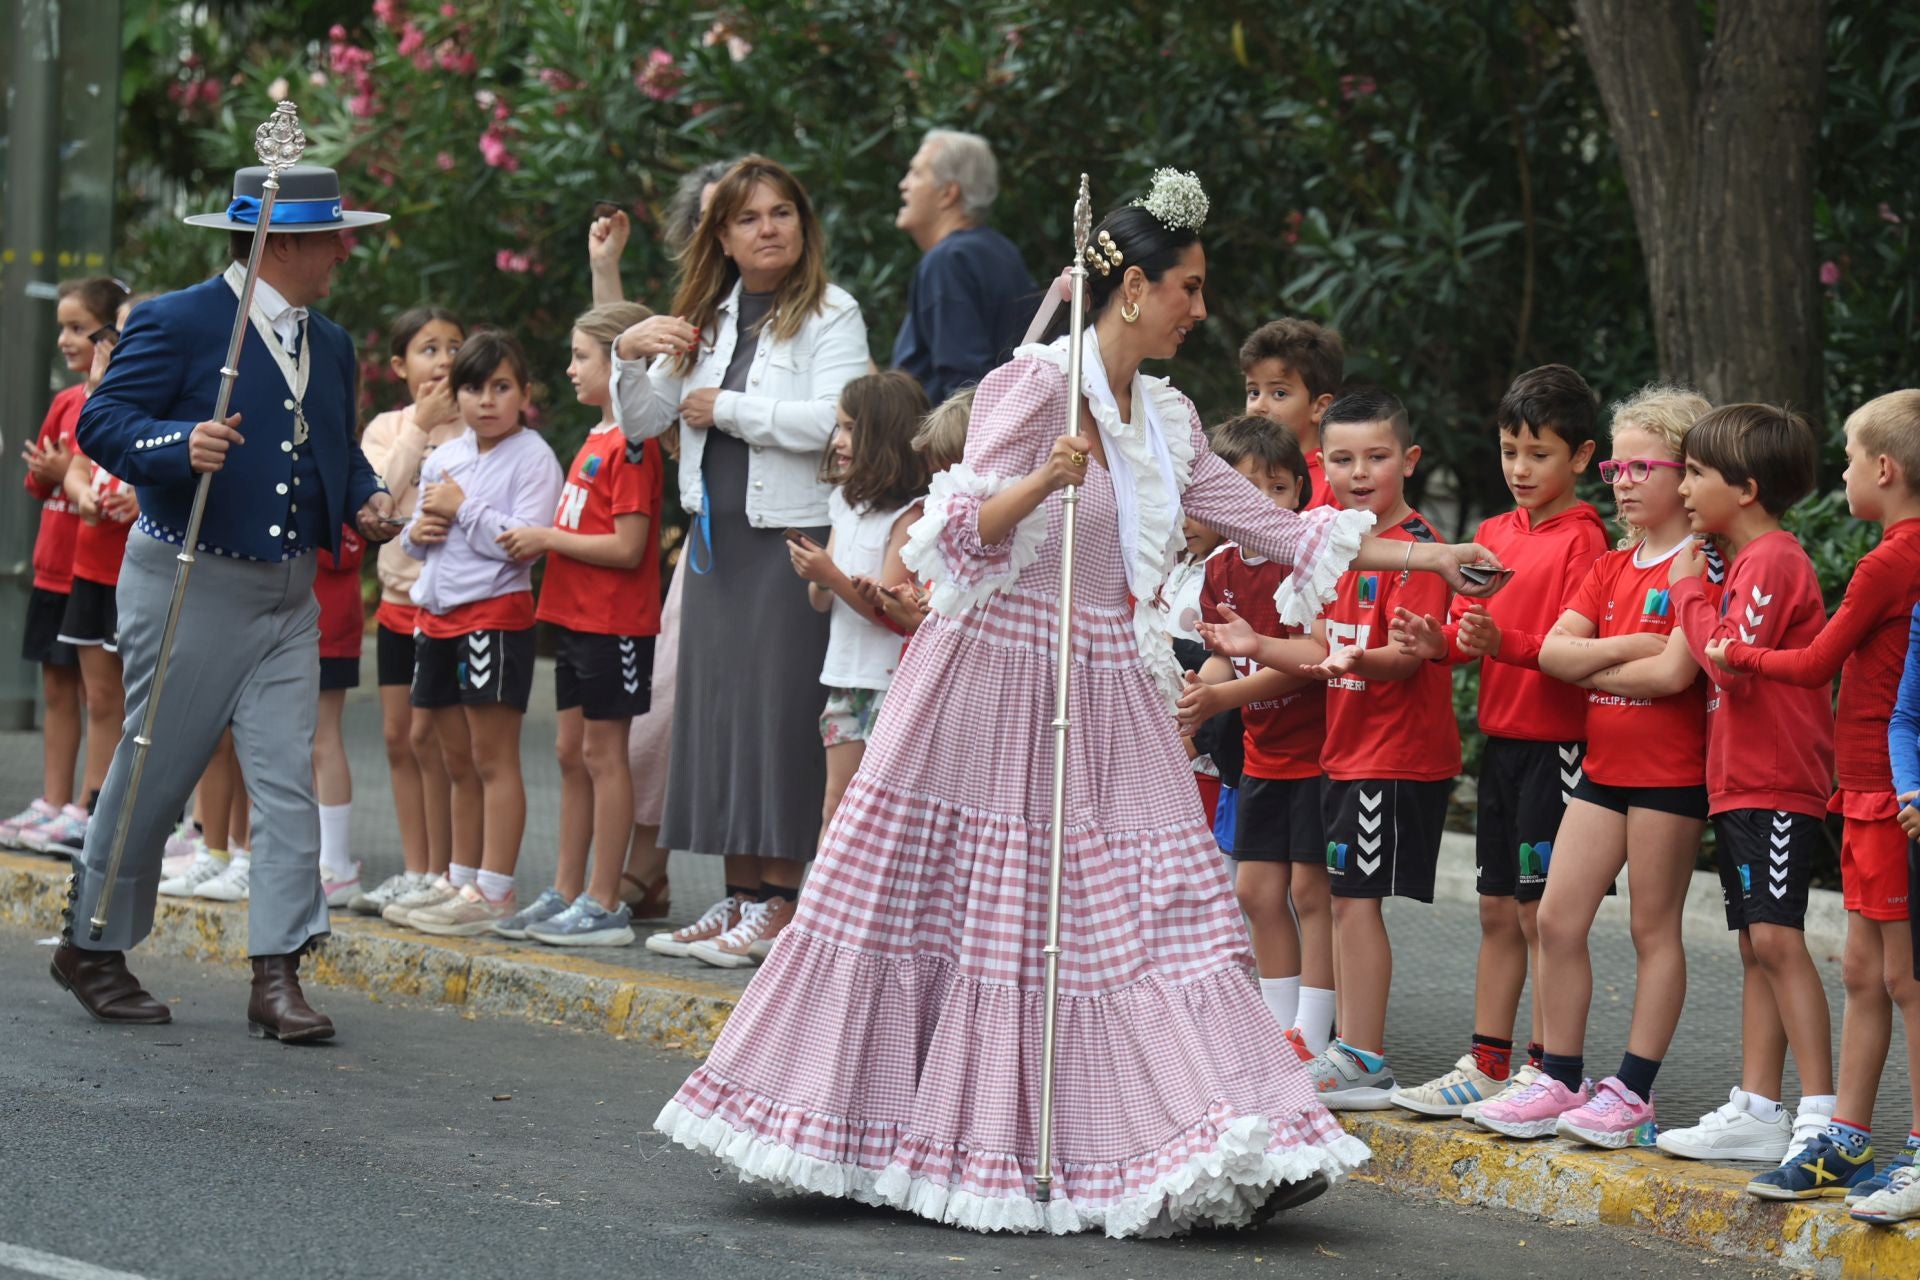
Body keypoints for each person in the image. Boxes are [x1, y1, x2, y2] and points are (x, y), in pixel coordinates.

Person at [652, 169, 1504, 1234]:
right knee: (963, 914)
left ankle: (1231, 1131)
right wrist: (1040, 481)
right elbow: (955, 536)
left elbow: (1277, 526)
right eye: (1190, 287)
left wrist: (1441, 555)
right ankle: (865, 1127)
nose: (1202, 309)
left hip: (1105, 683)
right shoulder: (1031, 387)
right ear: (1135, 289)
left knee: (1162, 913)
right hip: (992, 677)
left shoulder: (1173, 417)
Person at [54, 162, 395, 1042]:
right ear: (283, 242)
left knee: (286, 784)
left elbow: (337, 450)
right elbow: (103, 422)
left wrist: (367, 498)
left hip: (288, 596)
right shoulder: (178, 318)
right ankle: (91, 944)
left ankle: (276, 972)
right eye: (331, 235)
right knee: (154, 771)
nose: (343, 251)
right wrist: (178, 441)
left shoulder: (334, 340)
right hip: (189, 579)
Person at [614, 155, 869, 962]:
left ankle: (783, 903)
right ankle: (737, 901)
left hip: (790, 542)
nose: (769, 229)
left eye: (782, 213)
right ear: (720, 235)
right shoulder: (707, 317)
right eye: (750, 218)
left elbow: (839, 419)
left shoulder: (833, 312)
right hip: (714, 549)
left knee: (779, 722)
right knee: (719, 724)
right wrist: (627, 351)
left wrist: (726, 408)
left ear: (803, 224)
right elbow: (644, 420)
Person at [1476, 386, 1718, 1145]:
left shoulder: (1701, 563)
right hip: (1605, 768)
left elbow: (1674, 676)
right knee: (1555, 917)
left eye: (1639, 465)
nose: (1620, 479)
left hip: (1669, 774)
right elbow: (1552, 651)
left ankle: (1634, 1092)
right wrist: (1624, 651)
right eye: (1616, 464)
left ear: (1684, 473)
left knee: (1654, 929)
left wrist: (1597, 664)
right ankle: (1559, 1078)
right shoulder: (1614, 564)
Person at [1210, 388, 1462, 1109]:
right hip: (1343, 754)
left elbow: (1403, 657)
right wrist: (1258, 645)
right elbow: (1321, 644)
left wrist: (1356, 662)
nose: (1360, 472)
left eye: (1377, 457)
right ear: (1322, 463)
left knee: (1354, 904)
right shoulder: (1329, 545)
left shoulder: (1419, 548)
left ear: (1408, 461)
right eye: (1344, 458)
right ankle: (1346, 1047)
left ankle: (1363, 1055)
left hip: (1392, 754)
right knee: (1342, 899)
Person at [1708, 389, 1920, 1202]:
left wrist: (1740, 653)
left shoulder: (1892, 560)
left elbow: (1815, 661)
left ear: (1886, 470)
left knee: (1900, 977)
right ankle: (1846, 1142)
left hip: (1887, 791)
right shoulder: (1896, 556)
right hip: (1865, 788)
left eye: (1851, 458)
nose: (1842, 471)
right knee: (1863, 968)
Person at [1385, 365, 1607, 1118]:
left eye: (1537, 454)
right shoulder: (1489, 534)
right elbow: (1467, 635)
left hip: (1558, 747)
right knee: (1494, 910)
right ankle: (1487, 1062)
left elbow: (1575, 649)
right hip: (1501, 744)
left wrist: (1498, 639)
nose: (1518, 468)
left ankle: (1548, 1072)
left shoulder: (1587, 541)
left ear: (1579, 458)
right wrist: (1433, 641)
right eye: (1509, 450)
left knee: (1541, 914)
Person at [1642, 405, 1836, 1174]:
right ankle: (1758, 1107)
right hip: (1738, 783)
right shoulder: (1742, 560)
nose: (1683, 487)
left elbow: (1728, 660)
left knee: (1780, 941)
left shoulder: (1774, 561)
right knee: (1756, 944)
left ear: (1746, 488)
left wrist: (1687, 592)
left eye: (1695, 473)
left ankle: (1824, 1116)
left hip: (1777, 781)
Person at [497, 301, 666, 949]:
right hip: (574, 618)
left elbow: (628, 548)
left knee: (604, 755)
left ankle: (604, 900)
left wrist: (547, 537)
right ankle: (565, 890)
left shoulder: (631, 442)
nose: (569, 369)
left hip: (613, 622)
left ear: (621, 363)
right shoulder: (599, 437)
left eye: (581, 356)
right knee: (572, 753)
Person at [1176, 416, 1334, 1059]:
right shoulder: (1219, 568)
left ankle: (1315, 1037)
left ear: (1299, 493)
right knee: (1253, 890)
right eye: (1245, 490)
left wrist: (1222, 696)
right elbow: (1223, 659)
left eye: (1277, 488)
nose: (1263, 503)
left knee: (1309, 891)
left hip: (1317, 753)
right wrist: (1195, 696)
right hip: (1259, 754)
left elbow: (1306, 661)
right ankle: (1276, 1032)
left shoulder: (1306, 563)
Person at [397, 330, 564, 937]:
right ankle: (459, 878)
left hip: (493, 616)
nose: (486, 402)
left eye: (501, 388)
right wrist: (422, 533)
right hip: (436, 617)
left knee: (493, 758)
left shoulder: (533, 456)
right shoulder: (445, 457)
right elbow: (414, 533)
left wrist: (462, 509)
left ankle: (495, 890)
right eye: (473, 388)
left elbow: (524, 543)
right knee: (453, 755)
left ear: (524, 393)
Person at [780, 371, 931, 967]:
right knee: (834, 806)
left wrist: (832, 577)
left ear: (884, 437)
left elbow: (892, 608)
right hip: (845, 677)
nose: (838, 438)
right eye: (839, 426)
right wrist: (821, 578)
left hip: (890, 685)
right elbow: (828, 600)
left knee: (875, 816)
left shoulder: (912, 516)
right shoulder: (843, 502)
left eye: (850, 427)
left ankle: (864, 936)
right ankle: (818, 934)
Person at [351, 307, 469, 917]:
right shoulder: (388, 426)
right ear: (399, 365)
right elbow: (374, 501)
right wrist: (418, 425)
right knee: (400, 738)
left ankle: (451, 873)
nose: (445, 360)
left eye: (454, 346)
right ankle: (417, 866)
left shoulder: (479, 426)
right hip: (397, 606)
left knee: (437, 741)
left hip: (450, 608)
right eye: (428, 349)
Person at [6, 277, 128, 855]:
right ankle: (53, 802)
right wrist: (55, 473)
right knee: (56, 687)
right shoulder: (64, 402)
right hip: (54, 568)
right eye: (62, 327)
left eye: (78, 328)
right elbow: (38, 479)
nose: (64, 338)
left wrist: (69, 474)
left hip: (98, 570)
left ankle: (88, 804)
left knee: (99, 694)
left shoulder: (117, 403)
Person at [49, 289, 144, 861]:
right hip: (90, 565)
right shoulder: (96, 392)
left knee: (142, 701)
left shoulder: (165, 392)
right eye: (119, 333)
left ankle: (138, 815)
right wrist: (82, 493)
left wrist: (143, 498)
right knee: (99, 697)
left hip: (137, 568)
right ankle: (92, 807)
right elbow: (80, 465)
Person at [890, 129, 1034, 402]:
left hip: (959, 438)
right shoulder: (1003, 251)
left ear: (948, 193)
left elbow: (964, 386)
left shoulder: (947, 261)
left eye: (917, 173)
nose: (904, 184)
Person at [311, 521, 365, 906]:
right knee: (290, 740)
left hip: (328, 622)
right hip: (290, 618)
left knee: (322, 738)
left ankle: (337, 865)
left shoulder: (339, 465)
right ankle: (314, 857)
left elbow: (347, 549)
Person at [1240, 317, 1344, 510]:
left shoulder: (1337, 485)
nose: (1259, 406)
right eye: (1253, 392)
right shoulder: (1237, 474)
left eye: (1279, 393)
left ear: (1320, 407)